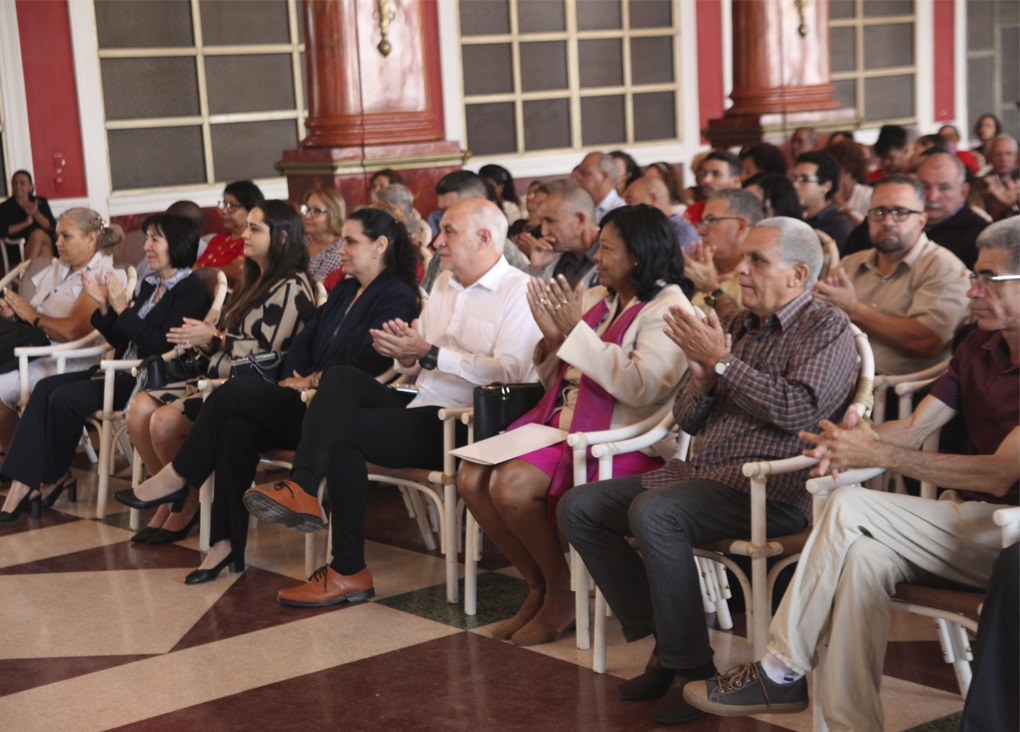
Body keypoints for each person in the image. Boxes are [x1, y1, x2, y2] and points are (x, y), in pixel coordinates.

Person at [683, 219, 1019, 731]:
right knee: (863, 559)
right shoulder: (979, 345)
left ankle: (780, 669)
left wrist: (876, 453)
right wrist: (851, 441)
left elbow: (999, 474)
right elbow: (914, 427)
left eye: (989, 279)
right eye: (974, 276)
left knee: (847, 504)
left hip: (1011, 533)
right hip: (974, 523)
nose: (973, 291)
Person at [557, 216, 859, 726]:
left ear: (797, 274)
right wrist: (703, 380)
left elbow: (798, 410)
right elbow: (688, 418)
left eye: (757, 261)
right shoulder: (738, 325)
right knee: (580, 507)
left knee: (655, 513)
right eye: (744, 259)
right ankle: (668, 645)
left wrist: (723, 364)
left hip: (769, 488)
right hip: (701, 476)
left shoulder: (826, 328)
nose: (741, 270)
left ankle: (690, 667)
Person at [238, 199, 542, 607]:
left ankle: (346, 566)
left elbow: (511, 373)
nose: (437, 241)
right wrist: (403, 352)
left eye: (449, 232)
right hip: (421, 402)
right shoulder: (445, 284)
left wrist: (430, 353)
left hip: (468, 424)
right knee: (342, 379)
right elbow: (417, 365)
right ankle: (305, 491)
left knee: (342, 433)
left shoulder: (519, 291)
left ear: (484, 238)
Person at [121, 207, 419, 577]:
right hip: (303, 399)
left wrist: (312, 380)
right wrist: (296, 374)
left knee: (237, 391)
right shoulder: (345, 290)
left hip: (336, 411)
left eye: (350, 241)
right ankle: (225, 544)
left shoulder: (396, 296)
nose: (340, 249)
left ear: (380, 246)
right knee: (236, 429)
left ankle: (180, 475)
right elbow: (304, 340)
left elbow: (372, 360)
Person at [458, 205, 696, 647]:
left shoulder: (668, 309)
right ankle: (538, 587)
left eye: (607, 248)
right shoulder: (601, 298)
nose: (596, 258)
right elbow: (561, 378)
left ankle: (563, 594)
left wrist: (576, 335)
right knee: (470, 477)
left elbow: (640, 387)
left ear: (639, 254)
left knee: (510, 485)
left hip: (624, 440)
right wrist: (554, 339)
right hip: (563, 423)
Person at [117, 200, 316, 543]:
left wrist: (216, 338)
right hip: (217, 378)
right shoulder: (253, 279)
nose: (244, 235)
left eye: (255, 229)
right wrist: (207, 339)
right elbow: (225, 337)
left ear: (282, 237)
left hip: (248, 389)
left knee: (163, 422)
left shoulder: (292, 286)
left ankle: (185, 500)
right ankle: (171, 499)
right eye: (247, 227)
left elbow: (268, 353)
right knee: (139, 408)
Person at [0, 214, 209, 522]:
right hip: (122, 369)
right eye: (147, 238)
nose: (146, 246)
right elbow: (122, 337)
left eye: (155, 239)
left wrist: (123, 310)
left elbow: (159, 345)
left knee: (65, 398)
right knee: (45, 389)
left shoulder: (190, 290)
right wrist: (104, 307)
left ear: (177, 245)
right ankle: (26, 482)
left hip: (147, 379)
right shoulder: (152, 284)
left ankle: (50, 477)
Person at [814, 175, 971, 377]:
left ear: (921, 220)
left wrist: (853, 309)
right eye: (878, 212)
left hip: (893, 388)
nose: (887, 222)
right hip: (834, 373)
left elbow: (926, 343)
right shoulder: (851, 263)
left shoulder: (944, 269)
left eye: (901, 212)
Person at [0, 208, 126, 452]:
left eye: (66, 236)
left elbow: (73, 332)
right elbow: (37, 317)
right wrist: (16, 314)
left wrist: (31, 315)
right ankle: (15, 457)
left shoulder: (101, 276)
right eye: (57, 235)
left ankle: (12, 460)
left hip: (70, 360)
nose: (57, 242)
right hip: (36, 350)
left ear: (91, 239)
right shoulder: (60, 269)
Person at [684, 189, 764, 317]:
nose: (700, 231)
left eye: (710, 220)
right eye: (702, 223)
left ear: (741, 226)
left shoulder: (760, 275)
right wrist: (688, 287)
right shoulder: (702, 270)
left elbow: (746, 327)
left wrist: (711, 289)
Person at [916, 150, 989, 269]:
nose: (932, 197)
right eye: (925, 187)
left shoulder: (981, 236)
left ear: (963, 192)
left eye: (944, 188)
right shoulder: (901, 223)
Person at [197, 180, 264, 287]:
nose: (224, 211)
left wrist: (203, 271)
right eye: (224, 204)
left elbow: (238, 272)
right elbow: (196, 269)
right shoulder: (217, 239)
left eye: (232, 206)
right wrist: (225, 269)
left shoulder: (252, 240)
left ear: (251, 211)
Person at [791, 150, 855, 250]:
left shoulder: (838, 225)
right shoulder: (793, 218)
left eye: (804, 179)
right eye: (794, 178)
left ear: (826, 186)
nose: (795, 185)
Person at [623, 177, 699, 255]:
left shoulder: (683, 234)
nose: (624, 208)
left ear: (652, 199)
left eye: (629, 201)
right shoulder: (653, 232)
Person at [0, 170, 56, 261]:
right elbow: (3, 231)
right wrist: (25, 223)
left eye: (22, 183)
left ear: (31, 187)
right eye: (15, 183)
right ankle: (38, 270)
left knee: (41, 238)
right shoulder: (5, 207)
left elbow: (52, 226)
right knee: (40, 239)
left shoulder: (40, 202)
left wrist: (36, 214)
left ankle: (26, 269)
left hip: (45, 242)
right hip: (18, 247)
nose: (18, 186)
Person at [299, 187, 346, 290]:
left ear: (334, 214)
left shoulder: (340, 250)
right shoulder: (303, 241)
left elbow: (316, 288)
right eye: (307, 209)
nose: (307, 216)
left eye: (316, 211)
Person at [684, 151, 741, 225]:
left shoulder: (746, 210)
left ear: (736, 181)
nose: (706, 180)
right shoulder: (693, 211)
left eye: (716, 174)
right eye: (704, 173)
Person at [572, 152, 625, 222]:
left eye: (585, 173)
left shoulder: (621, 212)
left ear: (604, 177)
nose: (578, 178)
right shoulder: (578, 207)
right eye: (579, 173)